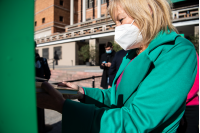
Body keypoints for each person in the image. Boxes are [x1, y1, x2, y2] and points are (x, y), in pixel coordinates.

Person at [37, 0, 198, 132]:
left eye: (120, 20)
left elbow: (139, 120)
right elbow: (115, 96)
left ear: (148, 10)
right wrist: (81, 92)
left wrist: (64, 107)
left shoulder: (177, 51)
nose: (117, 29)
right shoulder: (132, 53)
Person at [35, 41, 52, 133]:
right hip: (28, 90)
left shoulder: (42, 60)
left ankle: (41, 127)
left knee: (40, 107)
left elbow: (48, 74)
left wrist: (43, 83)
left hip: (40, 88)